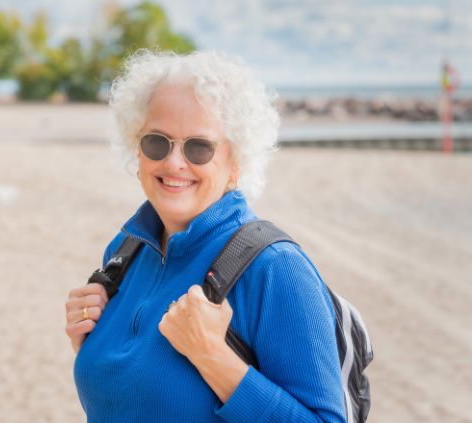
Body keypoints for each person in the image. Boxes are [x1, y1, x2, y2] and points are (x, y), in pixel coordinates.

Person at [64, 50, 346, 422]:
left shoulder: (275, 268)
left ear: (236, 163)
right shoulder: (124, 253)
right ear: (137, 148)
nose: (173, 162)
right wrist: (87, 340)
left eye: (199, 147)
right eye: (157, 142)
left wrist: (212, 355)